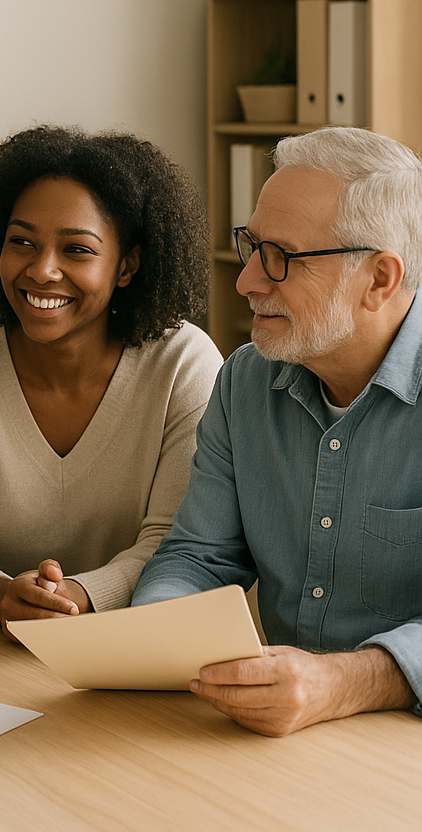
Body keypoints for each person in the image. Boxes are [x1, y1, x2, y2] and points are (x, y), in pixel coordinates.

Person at [132, 126, 422, 737]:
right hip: (275, 739)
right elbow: (199, 556)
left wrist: (345, 683)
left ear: (379, 279)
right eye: (252, 246)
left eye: (281, 258)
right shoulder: (244, 380)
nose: (246, 282)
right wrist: (157, 639)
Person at [0, 126, 222, 635]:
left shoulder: (183, 365)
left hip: (132, 645)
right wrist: (2, 597)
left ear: (126, 266)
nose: (43, 270)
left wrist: (74, 597)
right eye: (22, 242)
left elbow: (175, 544)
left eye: (77, 250)